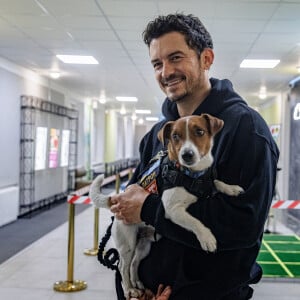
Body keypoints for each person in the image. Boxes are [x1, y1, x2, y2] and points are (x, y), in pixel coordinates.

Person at [110, 13, 279, 300]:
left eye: (176, 58)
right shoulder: (156, 135)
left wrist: (150, 209)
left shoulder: (245, 129)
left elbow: (243, 225)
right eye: (157, 63)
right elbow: (137, 198)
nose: (166, 72)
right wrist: (134, 286)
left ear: (206, 59)